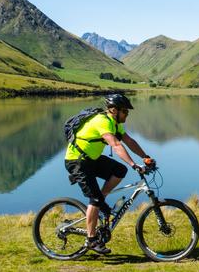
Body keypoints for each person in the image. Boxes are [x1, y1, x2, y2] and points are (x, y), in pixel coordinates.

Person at [64, 93, 154, 255]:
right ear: (114, 110)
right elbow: (116, 145)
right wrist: (134, 164)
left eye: (127, 112)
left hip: (92, 159)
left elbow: (129, 141)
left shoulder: (115, 123)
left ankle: (101, 202)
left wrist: (145, 157)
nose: (127, 114)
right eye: (125, 111)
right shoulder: (102, 121)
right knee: (95, 199)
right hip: (77, 161)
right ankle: (91, 240)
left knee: (120, 170)